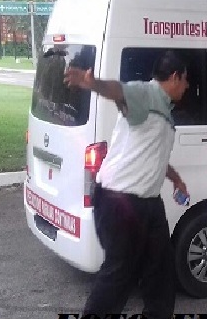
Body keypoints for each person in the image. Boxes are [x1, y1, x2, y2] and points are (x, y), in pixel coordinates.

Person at [63, 50, 190, 319]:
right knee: (120, 273)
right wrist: (92, 84)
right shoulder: (147, 93)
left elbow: (153, 153)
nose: (187, 87)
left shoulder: (163, 108)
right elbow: (119, 91)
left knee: (160, 271)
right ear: (176, 77)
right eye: (186, 80)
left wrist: (176, 179)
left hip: (148, 203)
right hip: (119, 200)